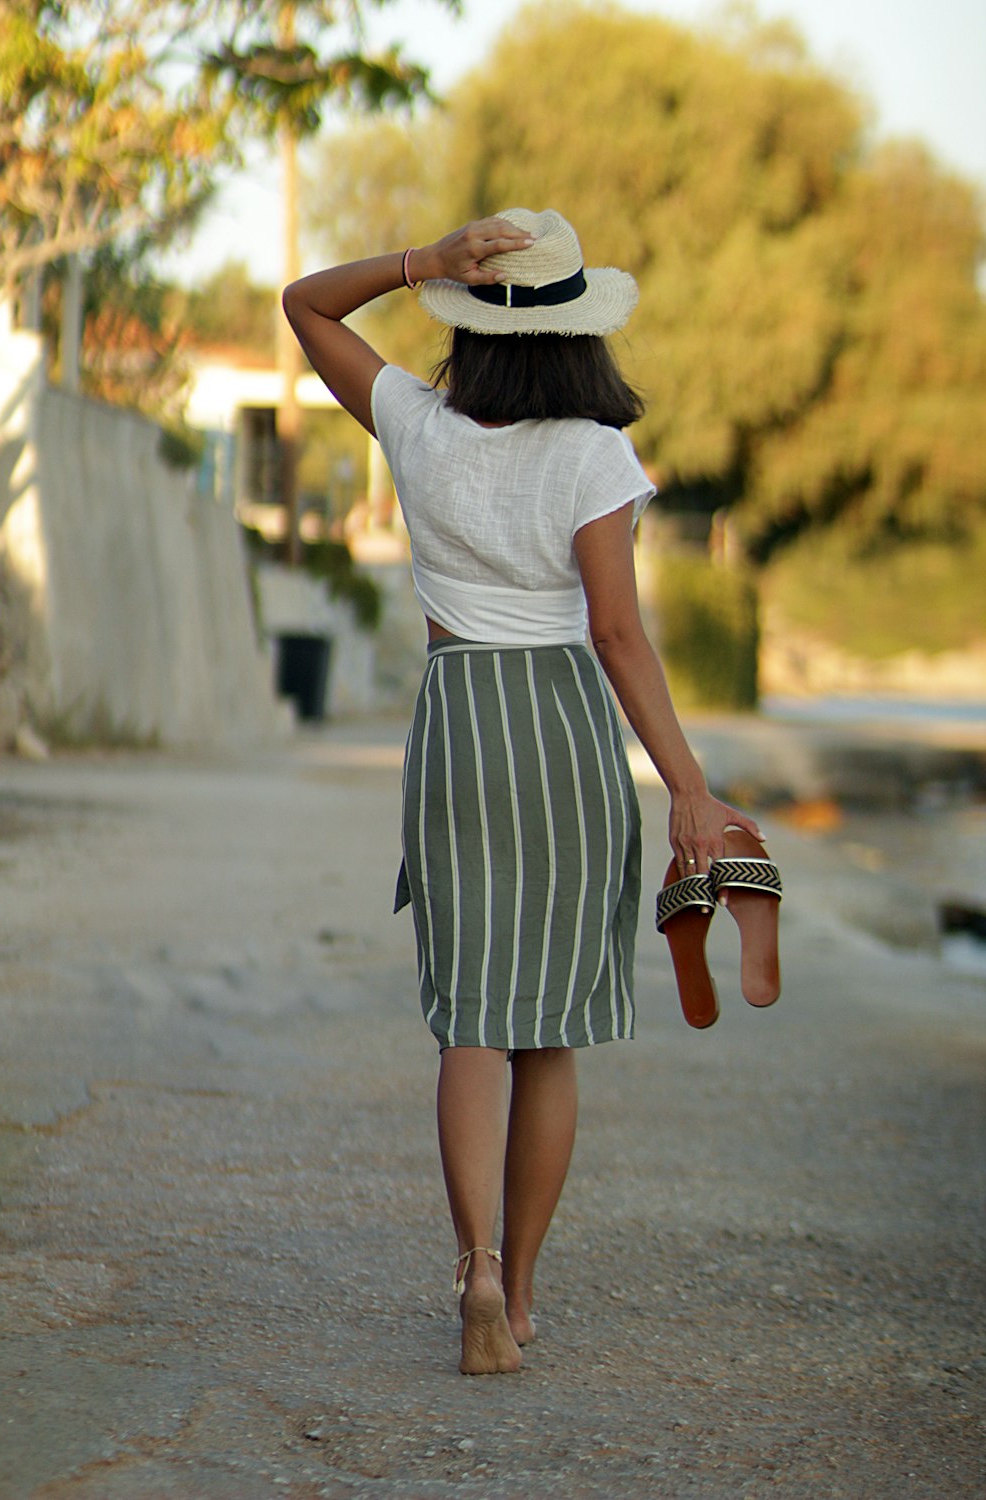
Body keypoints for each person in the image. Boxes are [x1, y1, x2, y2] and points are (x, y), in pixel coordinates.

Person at [283, 209, 774, 1376]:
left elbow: (304, 304)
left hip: (459, 723)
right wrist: (690, 791)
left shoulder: (414, 421)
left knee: (470, 1024)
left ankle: (475, 1275)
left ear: (473, 319)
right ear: (579, 333)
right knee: (547, 1034)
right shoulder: (596, 457)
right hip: (561, 729)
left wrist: (418, 264)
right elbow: (615, 632)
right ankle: (529, 1284)